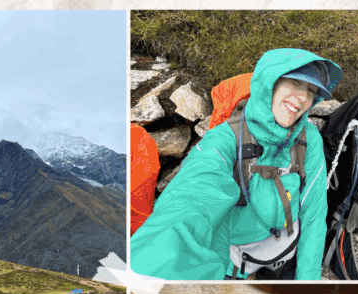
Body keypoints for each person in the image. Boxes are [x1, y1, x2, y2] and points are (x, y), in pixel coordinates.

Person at [131, 48, 342, 281]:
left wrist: (308, 285)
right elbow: (189, 200)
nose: (303, 97)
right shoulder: (225, 139)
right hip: (232, 257)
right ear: (269, 83)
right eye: (295, 82)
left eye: (311, 91)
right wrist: (148, 272)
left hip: (281, 249)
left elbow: (313, 215)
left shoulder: (308, 137)